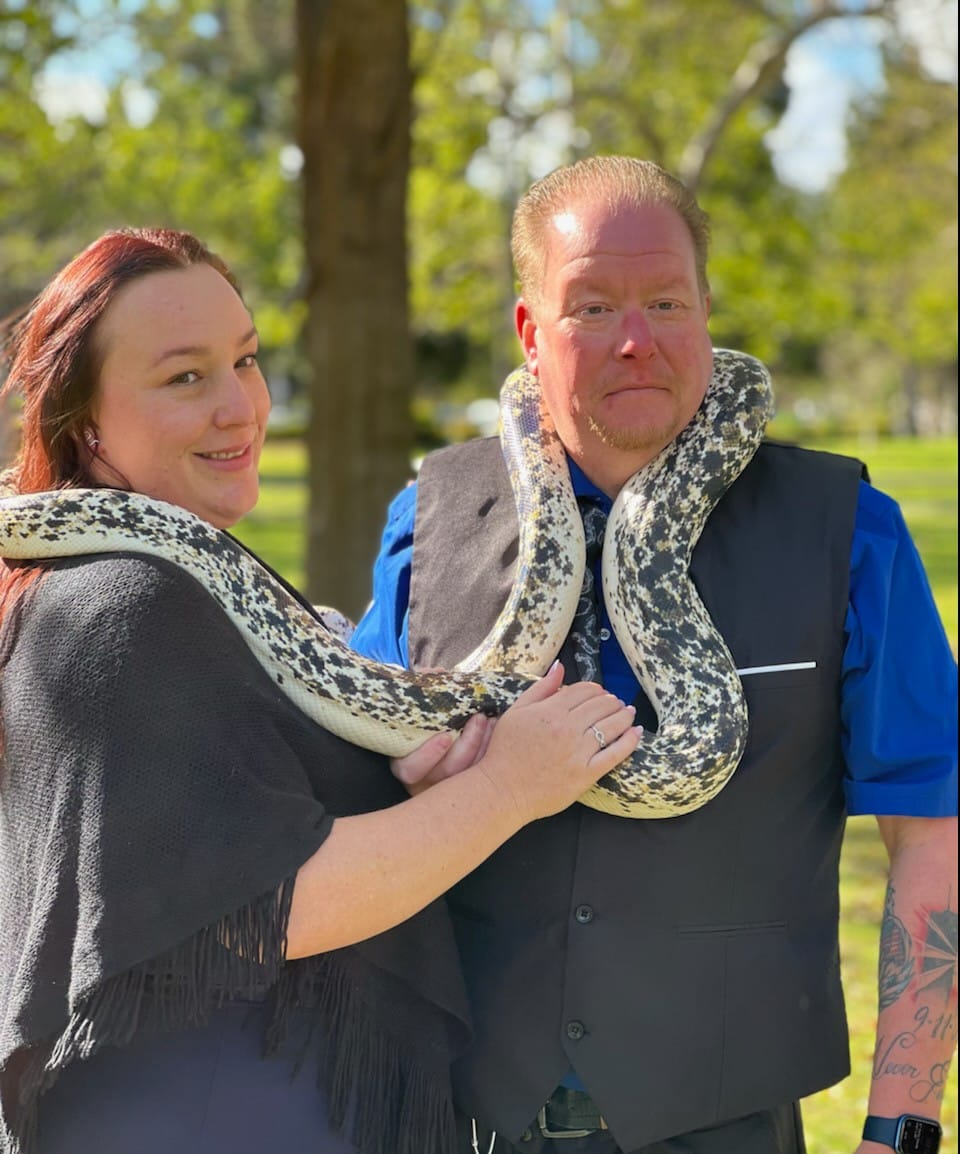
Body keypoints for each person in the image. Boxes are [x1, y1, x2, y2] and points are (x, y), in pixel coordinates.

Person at [351, 156, 958, 1153]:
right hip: (456, 1119)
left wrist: (902, 1124)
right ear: (528, 331)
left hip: (726, 1122)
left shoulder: (847, 530)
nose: (637, 341)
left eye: (667, 301)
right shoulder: (430, 521)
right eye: (592, 306)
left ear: (707, 311)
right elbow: (355, 807)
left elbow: (932, 831)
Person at [0, 227, 643, 1154]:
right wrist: (509, 789)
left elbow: (211, 826)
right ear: (85, 422)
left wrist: (406, 783)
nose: (240, 408)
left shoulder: (190, 574)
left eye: (247, 360)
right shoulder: (123, 607)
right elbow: (270, 902)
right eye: (185, 378)